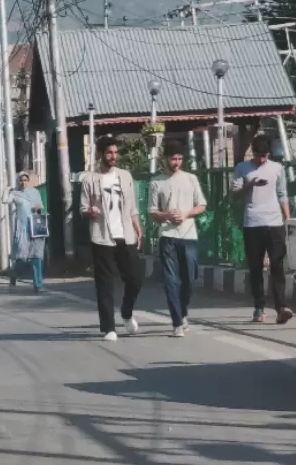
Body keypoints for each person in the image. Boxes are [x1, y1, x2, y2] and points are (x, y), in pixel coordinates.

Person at [80, 139, 144, 342]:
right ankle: (109, 327)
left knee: (135, 278)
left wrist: (137, 226)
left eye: (116, 152)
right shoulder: (89, 179)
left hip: (125, 235)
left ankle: (126, 312)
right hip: (102, 236)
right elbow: (82, 207)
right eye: (109, 153)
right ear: (101, 154)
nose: (113, 156)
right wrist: (90, 211)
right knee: (104, 283)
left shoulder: (125, 176)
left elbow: (132, 206)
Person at [231, 132, 293, 325]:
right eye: (258, 156)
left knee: (277, 264)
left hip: (274, 223)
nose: (262, 159)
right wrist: (250, 184)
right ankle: (259, 307)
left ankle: (281, 307)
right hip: (253, 223)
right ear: (253, 153)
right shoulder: (242, 168)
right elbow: (235, 194)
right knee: (256, 267)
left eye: (265, 156)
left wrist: (288, 219)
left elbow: (282, 194)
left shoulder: (277, 168)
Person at [149, 141, 207, 336]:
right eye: (173, 158)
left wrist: (186, 214)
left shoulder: (191, 179)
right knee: (171, 280)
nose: (176, 162)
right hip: (167, 236)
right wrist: (167, 216)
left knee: (189, 279)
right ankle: (176, 322)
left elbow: (201, 205)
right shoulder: (156, 182)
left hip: (189, 235)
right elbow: (152, 212)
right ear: (165, 159)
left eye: (180, 158)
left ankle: (183, 312)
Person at [8, 170, 47, 292]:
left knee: (36, 256)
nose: (23, 182)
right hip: (22, 229)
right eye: (21, 180)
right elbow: (6, 201)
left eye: (25, 180)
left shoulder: (35, 192)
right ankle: (14, 274)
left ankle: (38, 285)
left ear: (28, 181)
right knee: (21, 258)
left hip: (34, 226)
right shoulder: (16, 193)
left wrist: (38, 207)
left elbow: (41, 205)